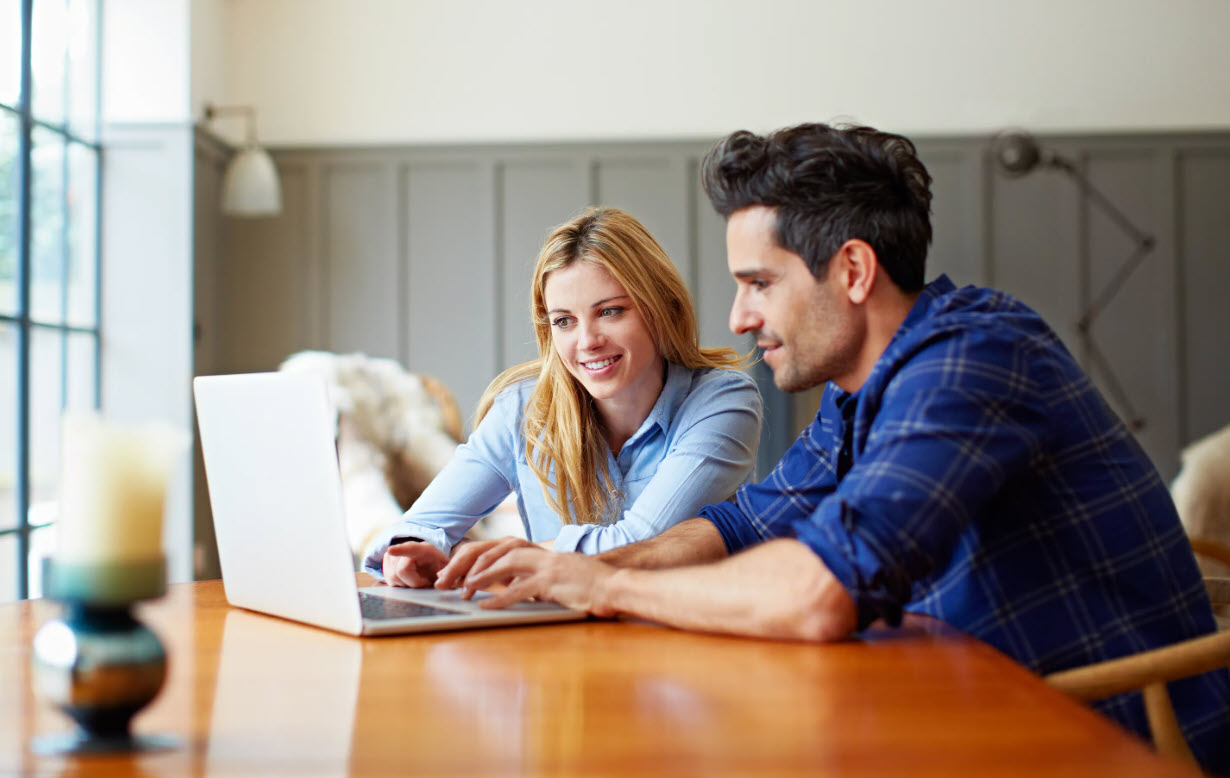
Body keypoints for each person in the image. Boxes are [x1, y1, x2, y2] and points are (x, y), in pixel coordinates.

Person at [459, 124, 1230, 773]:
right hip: (964, 714)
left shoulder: (973, 361)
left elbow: (821, 591)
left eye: (759, 283)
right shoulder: (859, 387)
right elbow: (744, 525)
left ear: (853, 271)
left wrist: (602, 589)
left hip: (1105, 741)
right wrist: (576, 569)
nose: (737, 316)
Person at [362, 206, 762, 588]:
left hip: (685, 643)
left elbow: (640, 543)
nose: (587, 341)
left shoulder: (724, 402)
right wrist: (407, 552)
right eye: (564, 321)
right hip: (553, 643)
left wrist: (482, 562)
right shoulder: (522, 409)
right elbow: (418, 527)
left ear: (661, 308)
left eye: (610, 311)